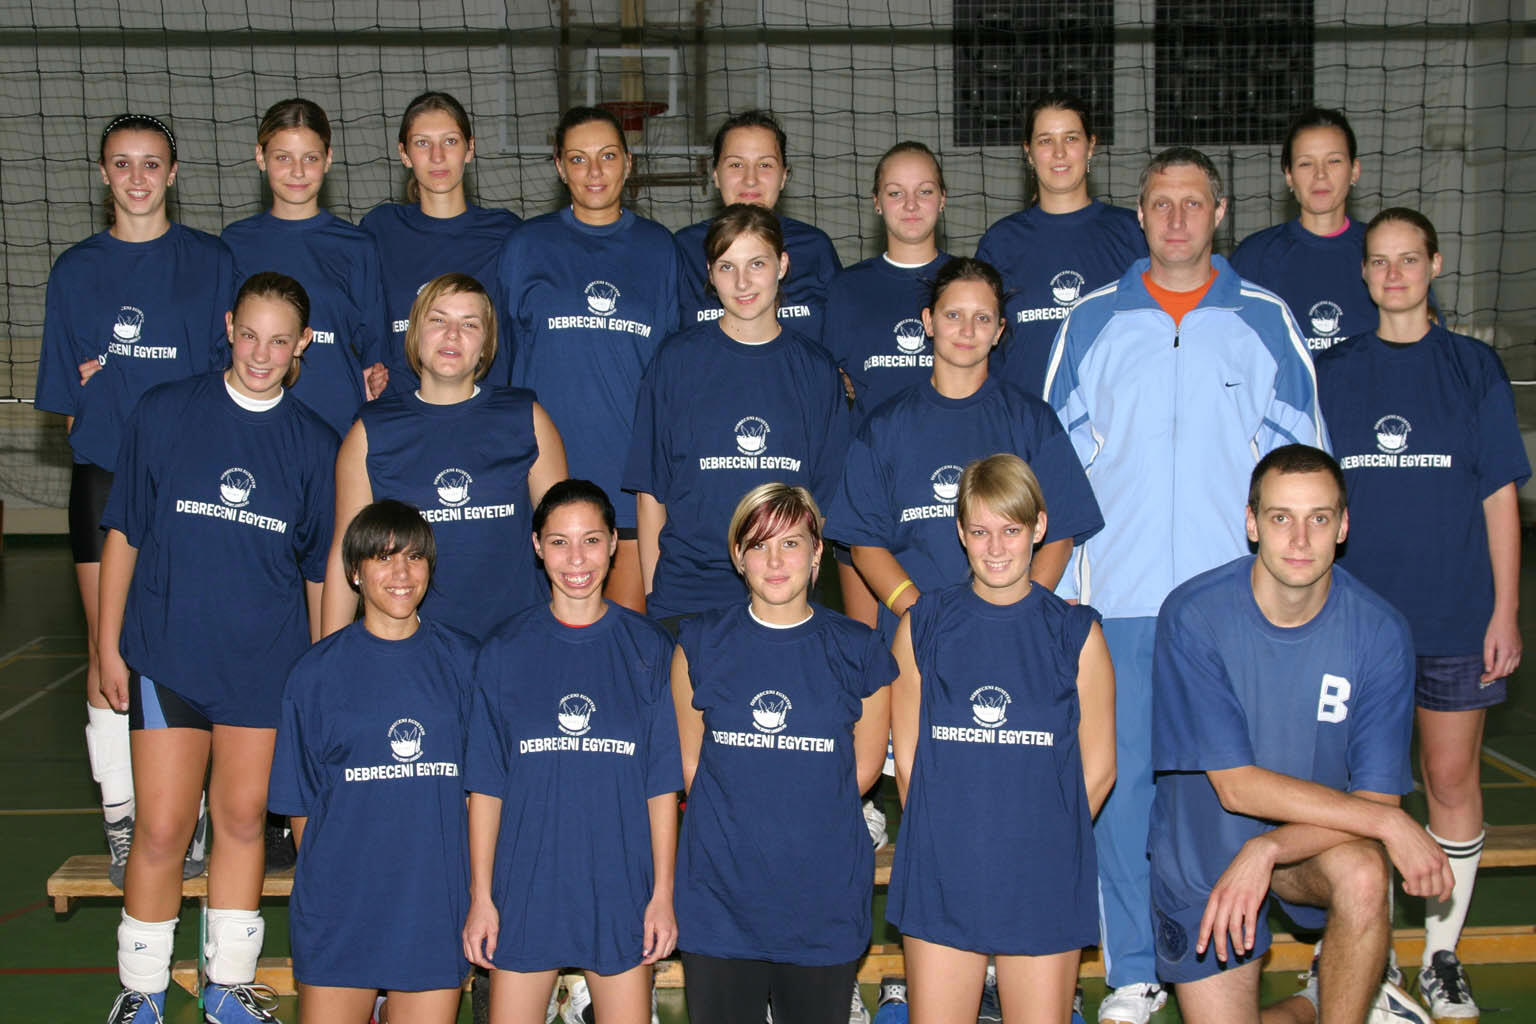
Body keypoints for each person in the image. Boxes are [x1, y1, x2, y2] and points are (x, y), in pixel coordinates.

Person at [1043, 147, 1326, 1024]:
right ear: (1139, 214)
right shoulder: (1091, 322)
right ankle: (1134, 971)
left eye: (1192, 203)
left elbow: (1306, 466)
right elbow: (1054, 470)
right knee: (1122, 791)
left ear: (1220, 212)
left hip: (1231, 609)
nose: (1176, 219)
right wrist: (1064, 595)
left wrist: (1290, 596)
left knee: (1225, 795)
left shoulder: (1265, 320)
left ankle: (1224, 961)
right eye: (1161, 204)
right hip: (1116, 602)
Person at [96, 272, 338, 1024]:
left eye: (279, 342)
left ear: (303, 345)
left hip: (265, 668)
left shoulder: (314, 443)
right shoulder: (165, 411)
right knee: (162, 828)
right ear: (229, 326)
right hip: (168, 658)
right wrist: (106, 645)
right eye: (249, 336)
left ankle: (228, 986)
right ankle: (141, 992)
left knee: (240, 822)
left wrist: (320, 676)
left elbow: (317, 574)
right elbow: (125, 532)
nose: (261, 355)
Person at [1149, 444, 1454, 1024]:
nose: (1299, 539)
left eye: (1318, 518)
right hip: (1207, 850)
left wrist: (1269, 848)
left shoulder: (1380, 632)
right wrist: (1391, 823)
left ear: (1343, 526)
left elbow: (1376, 797)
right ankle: (1313, 1002)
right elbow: (1237, 787)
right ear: (1251, 523)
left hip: (1310, 844)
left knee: (1365, 872)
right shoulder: (1194, 615)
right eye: (1280, 517)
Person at [1317, 208, 1529, 1022]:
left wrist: (1505, 610)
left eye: (1409, 259)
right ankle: (1367, 954)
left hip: (1454, 616)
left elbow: (1499, 496)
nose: (1394, 274)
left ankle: (1442, 953)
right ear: (1364, 273)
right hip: (1358, 627)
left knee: (1448, 779)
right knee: (1361, 792)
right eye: (1379, 261)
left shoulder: (1472, 367)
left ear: (1435, 265)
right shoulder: (1334, 370)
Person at [34, 113, 236, 888]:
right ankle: (123, 817)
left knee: (195, 647)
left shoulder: (210, 261)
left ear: (173, 173)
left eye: (152, 163)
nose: (138, 177)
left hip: (192, 485)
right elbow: (67, 407)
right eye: (123, 163)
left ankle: (192, 813)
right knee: (107, 647)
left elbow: (233, 379)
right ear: (103, 173)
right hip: (108, 478)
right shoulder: (75, 270)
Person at [887, 454, 1115, 1024]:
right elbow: (908, 761)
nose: (995, 548)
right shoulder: (922, 626)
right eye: (980, 531)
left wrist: (1040, 845)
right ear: (960, 533)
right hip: (943, 873)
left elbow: (1100, 769)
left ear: (1039, 528)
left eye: (1011, 530)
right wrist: (948, 846)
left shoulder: (1076, 634)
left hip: (1042, 877)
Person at [671, 483, 894, 1024]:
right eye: (759, 545)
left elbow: (864, 768)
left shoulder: (859, 649)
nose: (775, 561)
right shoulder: (699, 644)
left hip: (822, 902)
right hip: (720, 903)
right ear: (738, 556)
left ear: (817, 554)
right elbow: (693, 767)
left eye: (790, 543)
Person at [462, 479, 680, 1024]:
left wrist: (662, 894)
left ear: (614, 543)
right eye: (559, 542)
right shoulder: (503, 650)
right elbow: (485, 787)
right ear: (537, 546)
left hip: (619, 888)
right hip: (526, 888)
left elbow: (661, 786)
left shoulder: (649, 648)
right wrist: (482, 897)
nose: (576, 559)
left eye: (591, 540)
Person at [270, 500, 474, 1024]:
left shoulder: (467, 663)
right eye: (383, 558)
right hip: (342, 909)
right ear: (355, 572)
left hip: (433, 905)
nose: (401, 573)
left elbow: (484, 792)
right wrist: (330, 891)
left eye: (414, 557)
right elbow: (301, 805)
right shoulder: (315, 674)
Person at [826, 256, 1102, 641]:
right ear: (928, 322)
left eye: (982, 318)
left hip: (1010, 640)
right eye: (953, 315)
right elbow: (864, 545)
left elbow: (1061, 535)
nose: (967, 330)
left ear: (999, 330)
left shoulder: (1032, 421)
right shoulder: (884, 427)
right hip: (916, 640)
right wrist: (924, 619)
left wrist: (1020, 614)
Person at [624, 205, 848, 626]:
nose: (742, 282)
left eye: (757, 264)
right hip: (688, 596)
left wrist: (799, 587)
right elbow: (651, 493)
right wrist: (657, 597)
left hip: (783, 594)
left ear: (783, 265)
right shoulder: (675, 361)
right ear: (710, 273)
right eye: (727, 267)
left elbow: (822, 501)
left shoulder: (816, 370)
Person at [499, 105, 679, 613]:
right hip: (538, 481)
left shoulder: (660, 249)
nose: (594, 171)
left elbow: (671, 374)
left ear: (629, 163)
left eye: (608, 156)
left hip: (629, 483)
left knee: (626, 641)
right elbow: (500, 364)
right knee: (544, 643)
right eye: (578, 158)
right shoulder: (526, 245)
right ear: (559, 167)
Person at [321, 272, 567, 640]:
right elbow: (346, 553)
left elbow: (564, 539)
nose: (452, 334)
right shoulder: (371, 431)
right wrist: (329, 658)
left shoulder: (525, 417)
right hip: (412, 651)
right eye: (438, 320)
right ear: (414, 334)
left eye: (469, 324)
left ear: (487, 343)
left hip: (516, 645)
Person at [819, 140, 951, 630]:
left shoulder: (967, 283)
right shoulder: (848, 289)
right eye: (896, 193)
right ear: (876, 203)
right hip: (869, 497)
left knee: (953, 638)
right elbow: (832, 387)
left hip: (950, 490)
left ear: (943, 198)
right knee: (870, 651)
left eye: (924, 191)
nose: (911, 205)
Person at [223, 97, 391, 437]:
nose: (297, 171)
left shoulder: (357, 246)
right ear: (260, 157)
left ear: (328, 160)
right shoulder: (234, 242)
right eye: (283, 157)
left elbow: (375, 351)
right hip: (251, 422)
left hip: (334, 422)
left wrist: (377, 380)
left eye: (310, 158)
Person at [975, 93, 1146, 396]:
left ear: (1091, 146)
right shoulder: (1000, 242)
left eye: (1071, 138)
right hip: (1024, 419)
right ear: (1028, 153)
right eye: (1045, 141)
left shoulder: (1134, 232)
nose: (1059, 153)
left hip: (1113, 418)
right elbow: (979, 345)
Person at [362, 91, 520, 392]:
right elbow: (365, 319)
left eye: (450, 141)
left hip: (484, 409)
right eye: (422, 143)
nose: (437, 156)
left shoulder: (506, 232)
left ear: (470, 149)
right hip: (401, 407)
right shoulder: (381, 228)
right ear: (404, 153)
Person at [673, 110, 841, 335]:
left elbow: (842, 340)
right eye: (736, 165)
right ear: (715, 175)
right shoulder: (683, 249)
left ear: (783, 176)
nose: (750, 179)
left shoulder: (815, 247)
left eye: (765, 165)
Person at [1230, 108, 1375, 355]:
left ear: (1355, 170)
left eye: (1334, 161)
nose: (1320, 174)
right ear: (1289, 176)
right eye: (1306, 163)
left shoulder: (1385, 253)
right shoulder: (1254, 257)